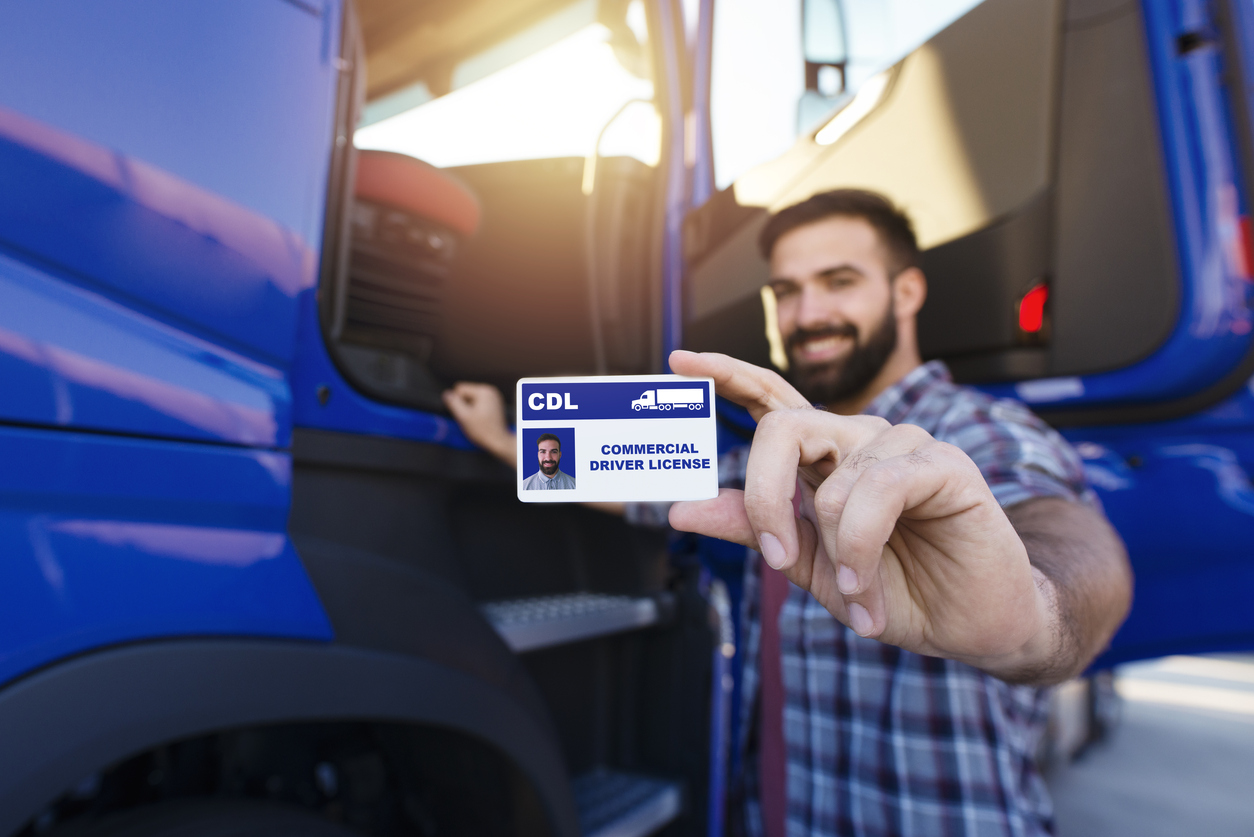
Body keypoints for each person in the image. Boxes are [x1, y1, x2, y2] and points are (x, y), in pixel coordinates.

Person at [445, 189, 1132, 837]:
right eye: (786, 291)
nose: (807, 314)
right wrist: (507, 441)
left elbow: (1074, 542)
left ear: (907, 291)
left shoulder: (984, 433)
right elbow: (650, 487)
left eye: (838, 281)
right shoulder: (777, 451)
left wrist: (1031, 618)